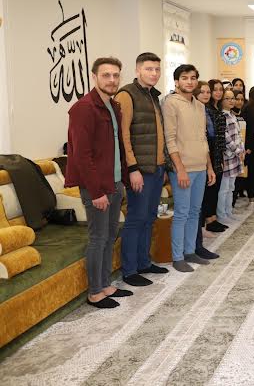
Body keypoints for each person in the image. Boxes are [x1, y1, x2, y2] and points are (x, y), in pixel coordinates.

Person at [66, 57, 132, 308]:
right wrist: (95, 192)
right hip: (96, 187)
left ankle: (105, 284)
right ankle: (95, 292)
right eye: (106, 75)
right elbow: (81, 155)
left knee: (110, 235)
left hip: (114, 183)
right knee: (98, 238)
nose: (112, 80)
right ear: (94, 77)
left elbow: (116, 147)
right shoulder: (83, 108)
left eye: (116, 75)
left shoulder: (113, 106)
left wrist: (122, 180)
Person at [114, 52, 169, 288]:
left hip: (156, 168)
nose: (154, 73)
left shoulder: (153, 95)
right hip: (139, 169)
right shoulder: (126, 94)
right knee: (136, 218)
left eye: (157, 69)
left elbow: (159, 134)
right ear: (137, 70)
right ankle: (130, 270)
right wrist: (132, 168)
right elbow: (123, 135)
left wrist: (163, 164)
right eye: (149, 69)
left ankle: (144, 263)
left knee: (149, 217)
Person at [163, 64, 216, 272]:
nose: (189, 81)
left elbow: (203, 139)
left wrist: (209, 167)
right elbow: (170, 139)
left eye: (193, 78)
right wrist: (180, 169)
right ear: (177, 81)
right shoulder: (170, 103)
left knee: (195, 212)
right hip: (182, 169)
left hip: (201, 167)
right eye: (185, 78)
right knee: (182, 213)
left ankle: (190, 251)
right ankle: (177, 257)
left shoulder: (200, 106)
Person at [193, 81, 222, 259]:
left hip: (207, 157)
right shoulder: (194, 110)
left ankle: (199, 236)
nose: (206, 95)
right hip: (194, 161)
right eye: (202, 92)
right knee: (196, 204)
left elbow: (209, 139)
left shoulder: (207, 111)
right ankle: (196, 238)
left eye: (207, 92)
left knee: (202, 200)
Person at [205, 80, 230, 233]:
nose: (218, 92)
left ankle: (213, 218)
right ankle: (209, 219)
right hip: (210, 153)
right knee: (210, 187)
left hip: (219, 152)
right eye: (215, 90)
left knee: (216, 187)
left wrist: (221, 156)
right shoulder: (206, 110)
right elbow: (209, 137)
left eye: (221, 89)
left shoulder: (217, 108)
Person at [218, 88, 245, 224]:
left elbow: (239, 134)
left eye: (232, 98)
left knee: (231, 187)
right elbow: (225, 137)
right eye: (227, 98)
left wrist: (242, 149)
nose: (231, 101)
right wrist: (237, 150)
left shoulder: (232, 115)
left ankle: (228, 212)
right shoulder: (222, 116)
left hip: (236, 156)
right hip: (227, 156)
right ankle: (221, 214)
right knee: (223, 189)